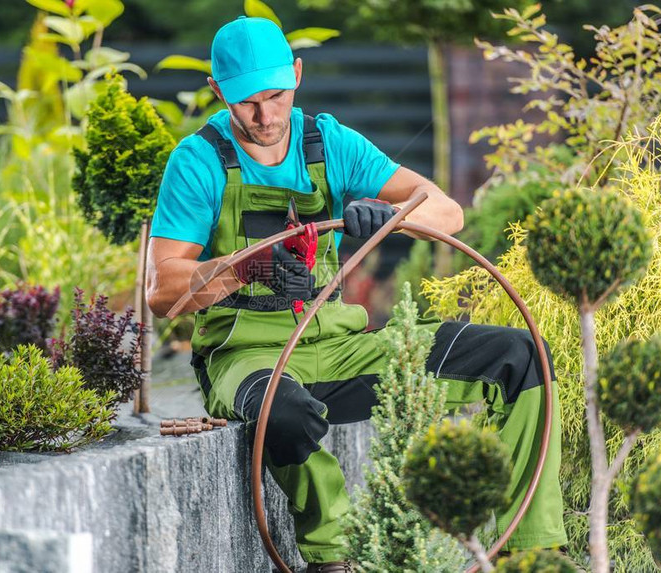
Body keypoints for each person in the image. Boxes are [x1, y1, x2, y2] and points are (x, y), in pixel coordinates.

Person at [146, 16, 566, 573]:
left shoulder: (330, 142)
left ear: (297, 75)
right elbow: (163, 288)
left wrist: (390, 217)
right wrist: (245, 268)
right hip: (248, 357)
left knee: (521, 356)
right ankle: (334, 557)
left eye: (276, 95)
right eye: (248, 102)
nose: (267, 116)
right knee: (285, 410)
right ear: (219, 91)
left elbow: (448, 211)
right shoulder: (197, 162)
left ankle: (534, 553)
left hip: (345, 349)